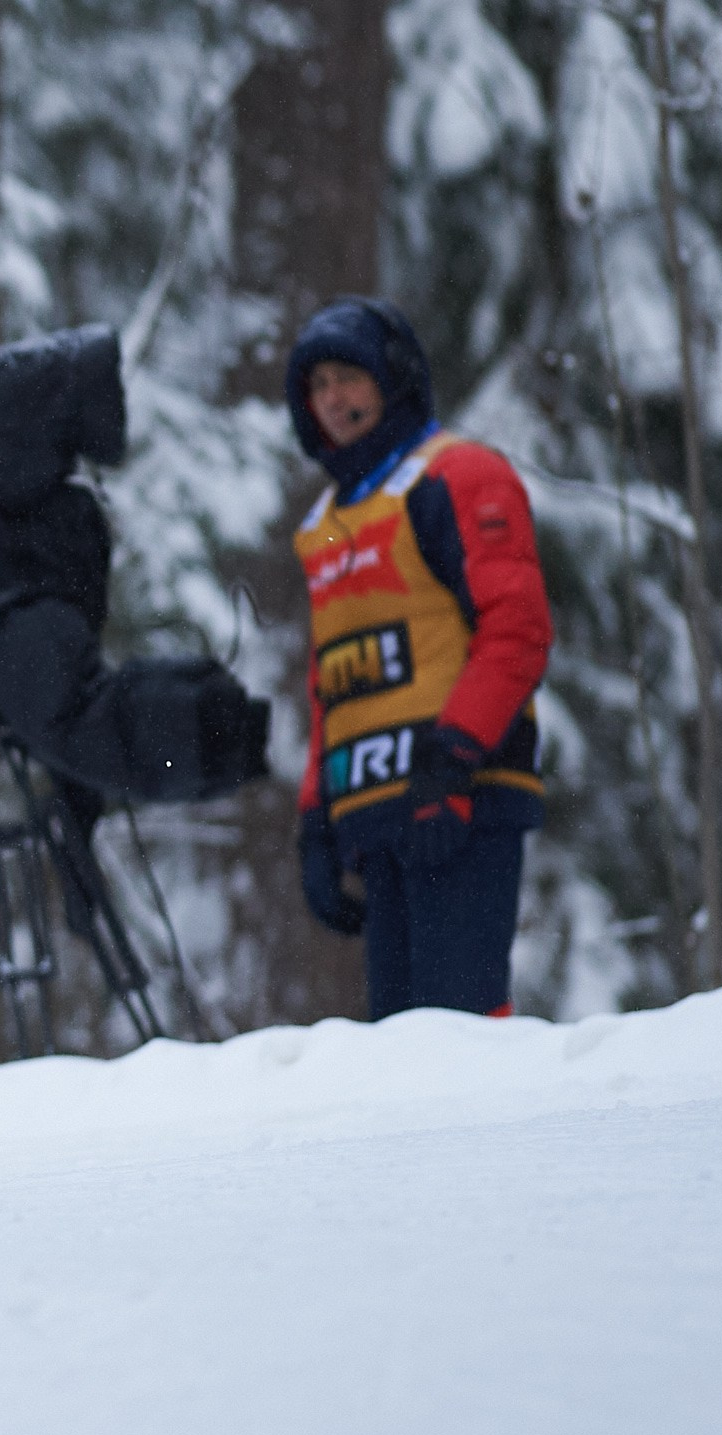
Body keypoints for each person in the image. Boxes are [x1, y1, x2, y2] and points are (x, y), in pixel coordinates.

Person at [284, 298, 554, 1018]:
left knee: (462, 1043)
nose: (333, 399)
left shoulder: (459, 475)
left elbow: (518, 629)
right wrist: (317, 820)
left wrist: (453, 754)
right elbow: (328, 682)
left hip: (463, 797)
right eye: (318, 385)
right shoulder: (325, 524)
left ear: (393, 377)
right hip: (379, 817)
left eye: (350, 377)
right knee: (402, 1063)